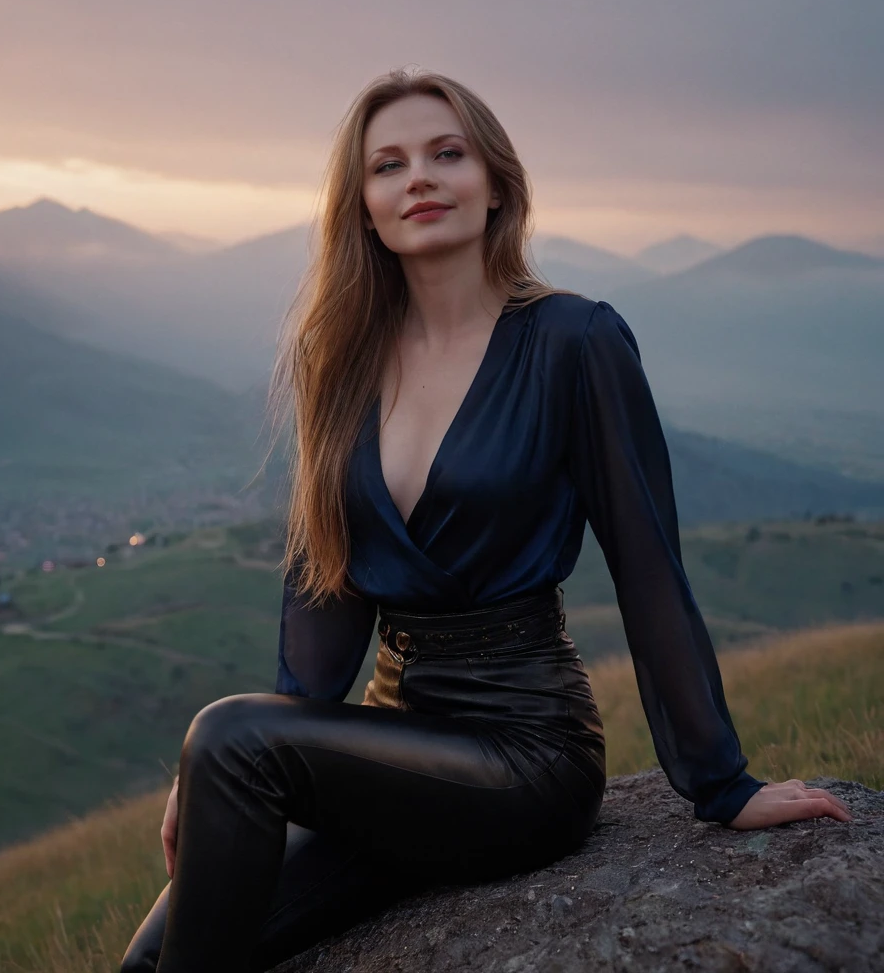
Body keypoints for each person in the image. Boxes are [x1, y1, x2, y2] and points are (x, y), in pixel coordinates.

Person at [121, 67, 852, 973]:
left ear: (496, 182)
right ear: (364, 208)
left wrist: (722, 784)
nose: (418, 178)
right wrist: (242, 773)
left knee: (226, 742)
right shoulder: (336, 361)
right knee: (152, 957)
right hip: (397, 749)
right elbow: (327, 597)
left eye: (446, 153)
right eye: (388, 165)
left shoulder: (575, 341)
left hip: (526, 754)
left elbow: (648, 564)